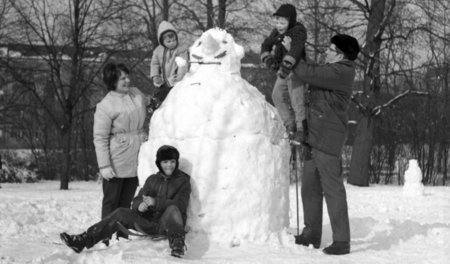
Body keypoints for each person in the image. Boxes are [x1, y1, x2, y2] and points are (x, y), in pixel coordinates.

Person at [289, 34, 360, 255]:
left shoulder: (341, 71)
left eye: (330, 49)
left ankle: (342, 240)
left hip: (328, 139)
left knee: (333, 190)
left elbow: (308, 72)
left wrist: (291, 54)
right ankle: (312, 233)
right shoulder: (331, 69)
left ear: (340, 54)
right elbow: (309, 69)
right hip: (314, 137)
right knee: (309, 188)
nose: (326, 52)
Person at [60, 145, 191, 258]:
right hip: (148, 222)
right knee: (121, 212)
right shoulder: (152, 179)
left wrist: (155, 202)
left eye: (172, 161)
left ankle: (177, 245)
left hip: (167, 226)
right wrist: (140, 206)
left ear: (176, 162)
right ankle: (83, 240)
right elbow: (137, 199)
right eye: (165, 162)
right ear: (159, 163)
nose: (169, 165)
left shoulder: (183, 181)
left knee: (173, 209)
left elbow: (180, 205)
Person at [93, 62, 147, 241]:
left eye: (127, 76)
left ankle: (123, 236)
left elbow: (150, 104)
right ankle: (104, 237)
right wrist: (104, 165)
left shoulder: (136, 93)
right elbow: (99, 137)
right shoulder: (106, 105)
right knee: (111, 201)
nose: (127, 80)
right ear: (112, 81)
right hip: (116, 159)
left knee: (127, 201)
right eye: (122, 78)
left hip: (136, 155)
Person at [260, 3, 307, 145]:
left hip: (296, 69)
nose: (279, 26)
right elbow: (265, 45)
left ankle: (301, 130)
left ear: (290, 21)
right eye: (277, 22)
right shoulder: (276, 32)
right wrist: (268, 59)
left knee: (296, 100)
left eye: (283, 23)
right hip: (283, 71)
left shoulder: (298, 31)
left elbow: (296, 50)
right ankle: (290, 125)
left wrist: (286, 65)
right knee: (277, 95)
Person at [150, 20, 188, 105]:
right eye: (169, 41)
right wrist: (155, 75)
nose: (172, 43)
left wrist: (180, 76)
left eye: (174, 40)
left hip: (175, 78)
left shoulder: (180, 50)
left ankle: (158, 101)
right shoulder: (158, 51)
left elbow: (182, 64)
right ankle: (153, 105)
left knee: (168, 93)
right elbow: (154, 64)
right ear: (162, 42)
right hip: (162, 79)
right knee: (158, 92)